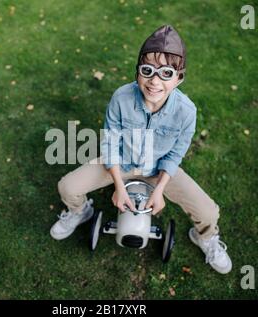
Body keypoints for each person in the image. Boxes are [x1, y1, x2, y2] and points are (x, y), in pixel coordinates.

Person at [50, 25, 232, 274]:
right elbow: (110, 142)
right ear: (137, 73)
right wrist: (117, 184)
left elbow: (175, 153)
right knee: (67, 187)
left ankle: (205, 237)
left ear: (179, 78)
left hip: (158, 169)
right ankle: (80, 211)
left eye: (166, 73)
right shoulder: (121, 98)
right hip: (122, 162)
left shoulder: (186, 111)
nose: (155, 81)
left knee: (208, 212)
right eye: (147, 71)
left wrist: (159, 189)